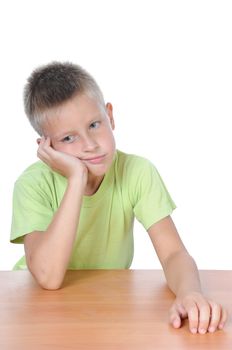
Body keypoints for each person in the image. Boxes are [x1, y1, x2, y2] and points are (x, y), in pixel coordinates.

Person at [10, 61, 227, 334]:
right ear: (46, 145)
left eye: (94, 124)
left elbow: (173, 253)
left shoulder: (137, 172)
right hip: (36, 305)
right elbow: (49, 278)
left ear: (109, 115)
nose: (90, 144)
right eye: (68, 138)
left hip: (104, 299)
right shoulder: (32, 184)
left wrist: (189, 293)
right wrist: (76, 178)